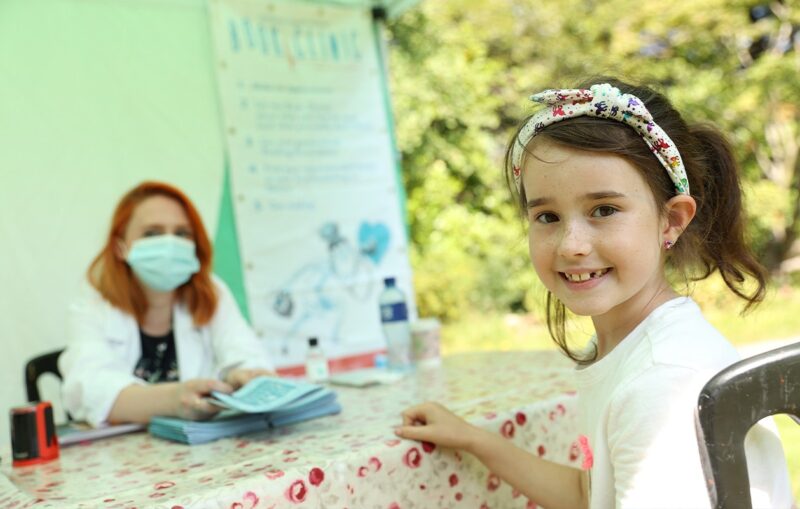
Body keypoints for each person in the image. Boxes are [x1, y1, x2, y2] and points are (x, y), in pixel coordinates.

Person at [394, 78, 792, 508]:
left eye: (604, 210)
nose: (571, 245)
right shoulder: (630, 348)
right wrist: (475, 440)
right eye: (547, 216)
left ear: (671, 220)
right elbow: (591, 495)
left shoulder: (661, 383)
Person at [60, 181, 275, 427]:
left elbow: (247, 354)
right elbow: (88, 391)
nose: (170, 245)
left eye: (182, 233)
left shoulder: (211, 292)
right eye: (152, 234)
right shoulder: (92, 305)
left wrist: (244, 376)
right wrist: (174, 400)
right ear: (120, 247)